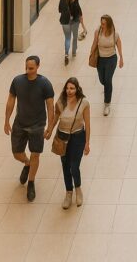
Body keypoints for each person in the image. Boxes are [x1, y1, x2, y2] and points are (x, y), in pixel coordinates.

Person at [4, 55, 54, 202]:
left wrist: (50, 126)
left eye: (31, 68)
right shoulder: (17, 81)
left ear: (38, 67)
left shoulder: (45, 84)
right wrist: (6, 120)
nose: (28, 70)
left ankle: (31, 182)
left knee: (36, 154)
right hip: (20, 123)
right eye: (26, 67)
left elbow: (50, 106)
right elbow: (10, 101)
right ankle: (27, 163)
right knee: (17, 153)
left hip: (37, 125)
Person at [48, 77, 90, 209]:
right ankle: (68, 193)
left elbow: (88, 125)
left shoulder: (84, 103)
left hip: (78, 137)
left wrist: (87, 143)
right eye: (67, 88)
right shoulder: (60, 102)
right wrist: (49, 130)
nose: (69, 91)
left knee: (74, 166)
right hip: (62, 137)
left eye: (72, 88)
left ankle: (78, 189)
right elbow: (55, 118)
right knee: (65, 166)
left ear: (77, 89)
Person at [90, 15, 123, 116]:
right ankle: (107, 88)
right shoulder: (98, 31)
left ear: (109, 23)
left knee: (108, 80)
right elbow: (95, 43)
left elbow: (119, 45)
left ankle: (107, 104)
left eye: (104, 23)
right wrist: (91, 54)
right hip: (100, 58)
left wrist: (121, 58)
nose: (102, 25)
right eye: (101, 23)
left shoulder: (114, 34)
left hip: (111, 59)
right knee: (102, 80)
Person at [58, 0, 86, 65]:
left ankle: (66, 54)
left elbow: (59, 10)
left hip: (64, 22)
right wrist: (84, 26)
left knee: (67, 38)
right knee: (74, 37)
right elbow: (79, 12)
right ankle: (73, 52)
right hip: (74, 21)